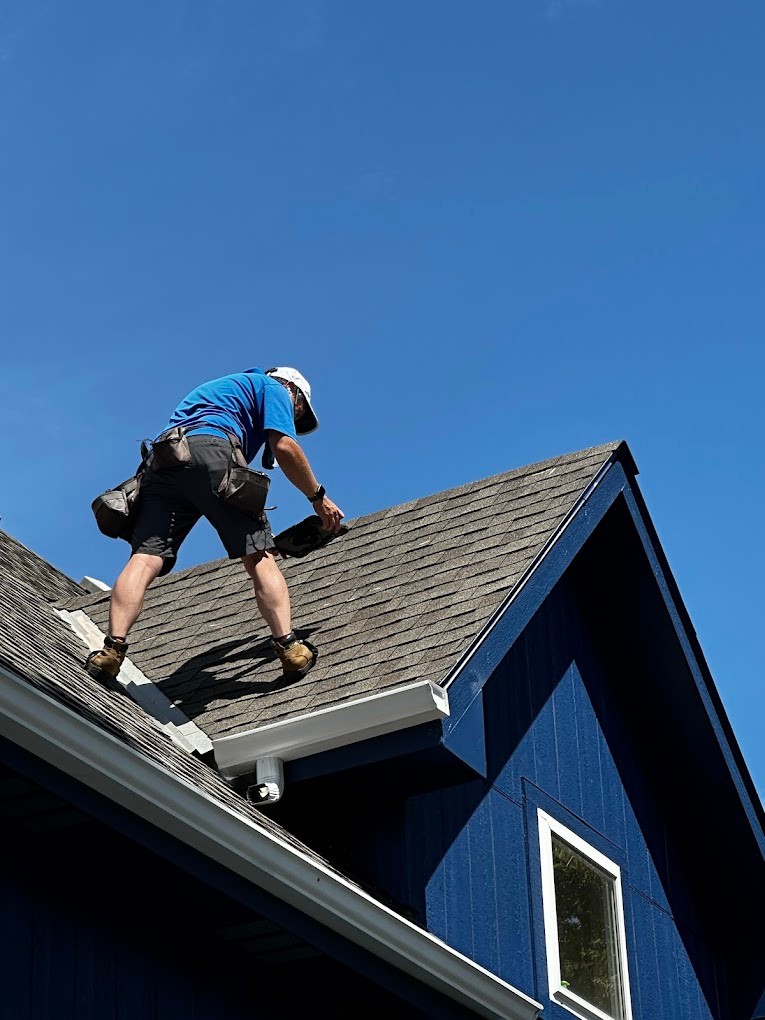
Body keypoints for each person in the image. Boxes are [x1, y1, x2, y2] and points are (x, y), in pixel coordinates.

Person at [85, 366, 344, 684]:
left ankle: (111, 651)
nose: (295, 413)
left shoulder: (223, 389)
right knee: (258, 556)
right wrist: (318, 497)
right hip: (214, 450)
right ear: (291, 387)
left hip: (165, 459)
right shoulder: (274, 388)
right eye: (299, 407)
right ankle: (290, 648)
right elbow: (285, 447)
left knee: (146, 557)